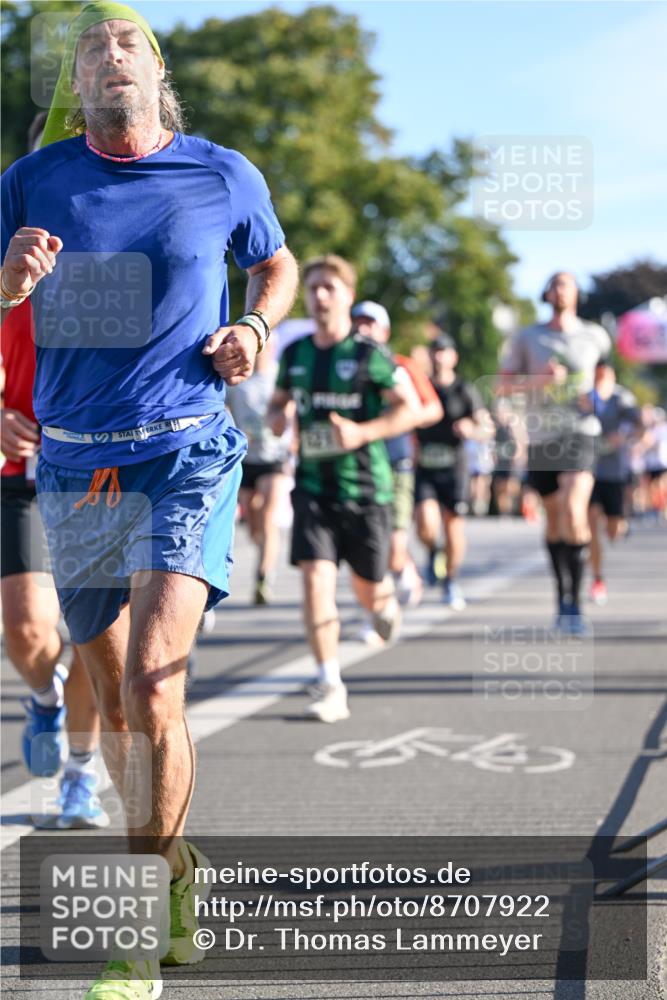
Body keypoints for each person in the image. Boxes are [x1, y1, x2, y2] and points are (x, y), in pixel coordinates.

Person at [1, 5, 298, 998]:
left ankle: (134, 934)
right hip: (75, 466)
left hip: (187, 453)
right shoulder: (31, 183)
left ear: (156, 74)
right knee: (113, 694)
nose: (108, 57)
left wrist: (255, 326)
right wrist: (8, 286)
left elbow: (276, 259)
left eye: (127, 44)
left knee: (151, 690)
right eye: (91, 50)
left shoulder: (221, 172)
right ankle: (174, 871)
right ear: (75, 88)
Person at [1, 113, 107, 828]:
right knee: (27, 630)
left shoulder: (126, 241)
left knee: (95, 631)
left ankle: (79, 775)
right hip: (23, 464)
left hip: (102, 463)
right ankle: (44, 697)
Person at [268, 255, 415, 723]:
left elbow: (407, 410)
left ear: (348, 296)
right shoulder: (295, 355)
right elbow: (278, 405)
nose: (320, 295)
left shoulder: (369, 354)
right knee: (315, 581)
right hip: (312, 487)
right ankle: (330, 681)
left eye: (329, 286)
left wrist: (362, 433)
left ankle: (385, 601)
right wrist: (277, 420)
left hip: (366, 489)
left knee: (369, 591)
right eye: (312, 288)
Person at [499, 272, 611, 634]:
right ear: (546, 293)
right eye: (556, 284)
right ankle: (561, 598)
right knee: (554, 519)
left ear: (576, 293)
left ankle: (575, 605)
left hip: (580, 433)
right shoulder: (528, 337)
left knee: (573, 508)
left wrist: (598, 397)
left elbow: (605, 375)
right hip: (542, 437)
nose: (562, 289)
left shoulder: (594, 335)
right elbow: (503, 385)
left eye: (568, 283)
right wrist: (539, 382)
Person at [350, 300, 443, 625]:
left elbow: (432, 409)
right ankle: (377, 612)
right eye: (357, 322)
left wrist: (398, 415)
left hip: (396, 461)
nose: (363, 329)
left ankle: (404, 571)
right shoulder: (342, 363)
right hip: (358, 466)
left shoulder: (400, 364)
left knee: (393, 545)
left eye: (370, 323)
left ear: (385, 331)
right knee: (366, 547)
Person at [415, 332, 491, 610]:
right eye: (434, 351)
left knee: (453, 526)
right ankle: (434, 552)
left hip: (454, 466)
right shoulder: (421, 386)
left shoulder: (464, 389)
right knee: (425, 523)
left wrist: (472, 429)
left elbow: (486, 426)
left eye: (444, 351)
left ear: (453, 357)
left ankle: (451, 580)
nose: (438, 356)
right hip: (424, 464)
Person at [226, 336, 293, 604]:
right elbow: (223, 410)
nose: (263, 351)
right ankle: (266, 549)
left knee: (267, 515)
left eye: (268, 346)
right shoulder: (240, 378)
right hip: (246, 457)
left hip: (275, 457)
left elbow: (292, 411)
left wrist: (286, 432)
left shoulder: (279, 377)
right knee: (253, 521)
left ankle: (264, 575)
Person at [586, 358, 641, 604]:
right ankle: (597, 579)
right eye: (597, 376)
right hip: (588, 471)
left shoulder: (622, 398)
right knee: (590, 524)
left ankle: (621, 525)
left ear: (612, 376)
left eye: (604, 376)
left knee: (613, 530)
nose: (600, 381)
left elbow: (640, 425)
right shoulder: (586, 397)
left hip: (615, 473)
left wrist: (626, 437)